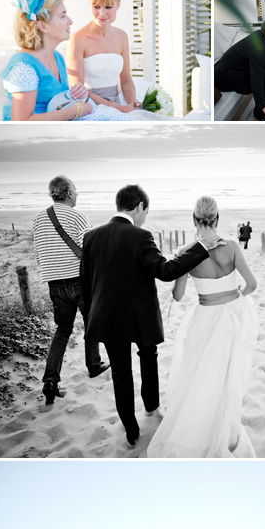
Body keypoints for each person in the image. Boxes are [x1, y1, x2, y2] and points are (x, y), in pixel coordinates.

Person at [80, 185, 215, 448]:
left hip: (105, 317)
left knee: (120, 372)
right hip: (139, 315)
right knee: (148, 356)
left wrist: (90, 317)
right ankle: (151, 407)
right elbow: (165, 271)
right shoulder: (141, 236)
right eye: (146, 211)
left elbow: (85, 283)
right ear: (139, 206)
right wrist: (200, 248)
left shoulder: (91, 237)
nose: (145, 217)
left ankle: (131, 430)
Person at [147, 196, 258, 458]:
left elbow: (177, 295)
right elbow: (252, 284)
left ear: (194, 220)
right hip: (232, 317)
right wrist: (236, 295)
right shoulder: (231, 246)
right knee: (227, 377)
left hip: (205, 318)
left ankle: (200, 427)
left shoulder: (187, 252)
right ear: (217, 218)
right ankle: (224, 429)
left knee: (201, 374)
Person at [2, 0, 166, 122]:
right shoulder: (23, 66)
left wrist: (77, 93)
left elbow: (61, 100)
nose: (71, 21)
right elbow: (21, 122)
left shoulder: (57, 58)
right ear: (43, 26)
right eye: (63, 16)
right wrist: (75, 111)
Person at [33, 175, 108, 404]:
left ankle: (50, 379)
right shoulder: (77, 216)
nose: (78, 194)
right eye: (76, 190)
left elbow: (39, 254)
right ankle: (93, 366)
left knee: (62, 330)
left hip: (55, 284)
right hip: (79, 280)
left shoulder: (38, 219)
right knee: (90, 322)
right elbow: (91, 249)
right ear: (68, 193)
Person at [65, 0, 141, 115]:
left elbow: (126, 80)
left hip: (119, 102)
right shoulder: (77, 39)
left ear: (118, 4)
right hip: (89, 106)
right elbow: (78, 91)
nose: (102, 13)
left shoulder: (122, 36)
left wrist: (132, 104)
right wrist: (119, 109)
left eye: (108, 7)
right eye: (96, 6)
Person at [214, 19, 265, 121]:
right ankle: (262, 115)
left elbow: (262, 61)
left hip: (230, 70)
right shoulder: (260, 48)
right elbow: (256, 79)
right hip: (225, 77)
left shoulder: (261, 36)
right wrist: (263, 106)